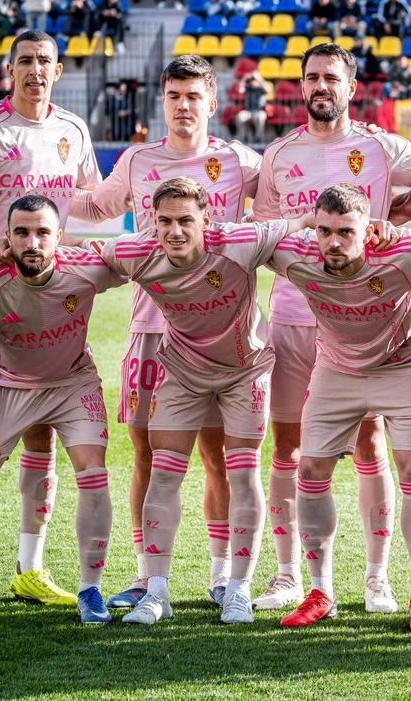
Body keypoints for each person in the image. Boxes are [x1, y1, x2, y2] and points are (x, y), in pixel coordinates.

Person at [69, 55, 264, 616]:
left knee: (219, 455)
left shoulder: (238, 161)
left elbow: (285, 201)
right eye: (173, 95)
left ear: (211, 102)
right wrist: (40, 184)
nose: (183, 106)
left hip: (221, 332)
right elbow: (94, 206)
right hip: (151, 331)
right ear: (164, 101)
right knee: (148, 451)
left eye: (192, 96)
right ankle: (144, 572)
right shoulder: (137, 160)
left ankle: (223, 575)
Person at [250, 43, 411, 612]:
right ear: (301, 86)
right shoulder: (280, 154)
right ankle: (289, 575)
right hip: (294, 315)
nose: (320, 86)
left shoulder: (380, 147)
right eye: (311, 78)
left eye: (331, 77)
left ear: (351, 87)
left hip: (371, 318)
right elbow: (260, 230)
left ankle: (377, 577)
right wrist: (301, 223)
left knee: (370, 442)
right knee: (287, 446)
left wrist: (396, 219)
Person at [0, 30, 102, 617]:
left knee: (44, 434)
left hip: (50, 301)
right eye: (25, 61)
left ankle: (30, 568)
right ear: (10, 69)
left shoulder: (73, 131)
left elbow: (86, 209)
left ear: (58, 72)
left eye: (44, 62)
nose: (35, 70)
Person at [95, 177, 308, 625]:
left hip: (244, 371)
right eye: (165, 221)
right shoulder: (136, 252)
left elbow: (304, 222)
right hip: (183, 372)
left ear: (206, 220)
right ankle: (156, 592)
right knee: (163, 470)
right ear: (151, 222)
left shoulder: (240, 241)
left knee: (242, 470)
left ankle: (238, 589)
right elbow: (82, 255)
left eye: (185, 221)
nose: (174, 231)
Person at [268, 185, 411, 631]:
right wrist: (295, 224)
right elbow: (234, 237)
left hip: (403, 365)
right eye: (324, 230)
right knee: (309, 469)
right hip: (337, 368)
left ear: (367, 231)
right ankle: (320, 591)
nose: (333, 242)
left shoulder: (406, 251)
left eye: (346, 232)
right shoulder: (296, 255)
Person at [0, 195, 123, 624]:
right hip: (8, 384)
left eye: (43, 232)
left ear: (59, 237)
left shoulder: (86, 268)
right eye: (22, 232)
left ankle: (90, 590)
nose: (32, 242)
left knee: (93, 474)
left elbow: (140, 259)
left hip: (72, 382)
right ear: (6, 236)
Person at [236, 72, 269, 141]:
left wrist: (260, 79)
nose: (253, 81)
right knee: (239, 117)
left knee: (261, 117)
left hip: (259, 111)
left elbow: (268, 90)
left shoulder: (261, 89)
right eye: (252, 80)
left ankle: (258, 137)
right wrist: (244, 78)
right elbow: (240, 90)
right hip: (248, 111)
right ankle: (244, 136)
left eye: (254, 80)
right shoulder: (248, 88)